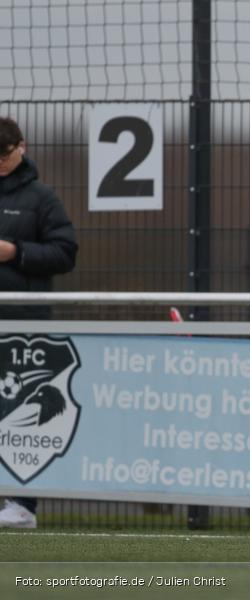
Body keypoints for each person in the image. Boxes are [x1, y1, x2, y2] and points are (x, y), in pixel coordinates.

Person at [0, 117, 78, 529]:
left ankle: (23, 504)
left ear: (22, 147)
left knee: (20, 409)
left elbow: (65, 253)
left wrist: (16, 252)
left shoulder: (42, 198)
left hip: (22, 324)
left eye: (5, 154)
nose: (0, 162)